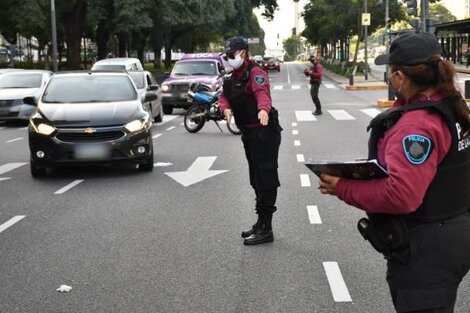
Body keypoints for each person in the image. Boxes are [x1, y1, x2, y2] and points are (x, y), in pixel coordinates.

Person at [318, 31, 470, 313]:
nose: (389, 77)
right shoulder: (449, 105)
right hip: (453, 234)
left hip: (427, 250)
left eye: (390, 71)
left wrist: (341, 186)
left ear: (400, 78)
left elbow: (402, 195)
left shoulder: (417, 126)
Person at [219, 36, 282, 246]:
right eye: (227, 55)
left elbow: (262, 94)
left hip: (264, 133)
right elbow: (224, 96)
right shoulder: (231, 76)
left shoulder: (255, 73)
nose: (228, 58)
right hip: (248, 133)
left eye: (231, 55)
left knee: (265, 178)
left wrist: (263, 110)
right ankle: (260, 222)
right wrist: (225, 108)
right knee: (255, 179)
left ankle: (267, 228)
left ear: (243, 53)